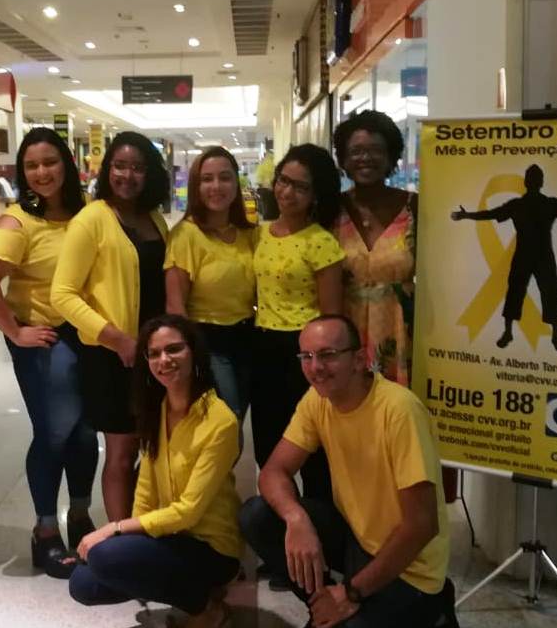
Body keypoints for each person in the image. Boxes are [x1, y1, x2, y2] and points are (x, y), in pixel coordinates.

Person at [239, 315, 458, 628]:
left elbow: (422, 525)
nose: (315, 368)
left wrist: (351, 593)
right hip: (359, 540)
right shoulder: (317, 400)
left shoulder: (399, 410)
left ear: (359, 359)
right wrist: (296, 519)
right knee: (258, 515)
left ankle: (434, 605)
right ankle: (324, 610)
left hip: (410, 567)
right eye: (306, 356)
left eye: (328, 355)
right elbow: (273, 471)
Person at [69, 315, 241, 628]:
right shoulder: (158, 409)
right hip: (172, 537)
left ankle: (208, 611)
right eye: (154, 353)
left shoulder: (220, 420)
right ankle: (189, 593)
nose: (164, 360)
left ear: (194, 353)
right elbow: (146, 490)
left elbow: (188, 512)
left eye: (174, 349)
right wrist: (133, 546)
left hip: (212, 547)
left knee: (105, 555)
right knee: (83, 583)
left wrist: (115, 529)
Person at [0, 128, 98, 579]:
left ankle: (79, 515)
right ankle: (45, 530)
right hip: (46, 338)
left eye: (50, 162)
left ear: (67, 164)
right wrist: (15, 331)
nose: (42, 173)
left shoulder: (88, 213)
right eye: (31, 165)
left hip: (89, 336)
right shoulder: (18, 221)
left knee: (85, 432)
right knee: (55, 431)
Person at [51, 131, 170, 532]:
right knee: (121, 452)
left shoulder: (154, 218)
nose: (127, 176)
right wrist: (117, 339)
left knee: (151, 448)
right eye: (119, 166)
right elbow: (62, 294)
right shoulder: (92, 219)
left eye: (138, 167)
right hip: (113, 355)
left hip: (155, 354)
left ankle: (143, 526)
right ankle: (121, 537)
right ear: (107, 170)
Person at [250, 144, 344, 502]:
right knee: (268, 446)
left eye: (300, 187)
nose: (287, 192)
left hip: (305, 351)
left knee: (313, 450)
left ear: (315, 194)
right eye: (283, 180)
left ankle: (319, 529)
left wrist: (322, 361)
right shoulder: (259, 234)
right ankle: (280, 526)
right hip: (263, 347)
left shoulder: (321, 242)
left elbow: (331, 314)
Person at [451, 163, 557, 352]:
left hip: (537, 256)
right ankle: (524, 333)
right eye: (534, 178)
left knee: (537, 292)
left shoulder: (531, 204)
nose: (534, 181)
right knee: (524, 292)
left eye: (534, 178)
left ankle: (545, 334)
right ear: (539, 182)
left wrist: (466, 215)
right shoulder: (535, 204)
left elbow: (491, 214)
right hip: (533, 256)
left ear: (528, 182)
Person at [164, 146, 257, 422]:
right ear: (196, 186)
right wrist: (187, 356)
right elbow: (175, 306)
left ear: (236, 184)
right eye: (207, 179)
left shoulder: (248, 234)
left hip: (246, 338)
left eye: (225, 177)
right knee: (227, 419)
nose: (216, 186)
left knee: (235, 420)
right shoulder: (186, 235)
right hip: (207, 341)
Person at [333, 110, 418, 385]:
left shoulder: (415, 207)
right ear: (343, 159)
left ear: (391, 156)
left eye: (376, 150)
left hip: (401, 330)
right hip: (344, 330)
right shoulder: (330, 210)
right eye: (356, 151)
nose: (365, 158)